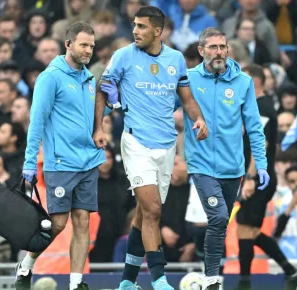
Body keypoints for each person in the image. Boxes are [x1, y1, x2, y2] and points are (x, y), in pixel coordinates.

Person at [93, 6, 208, 290]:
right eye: (134, 25)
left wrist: (199, 120)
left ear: (158, 31)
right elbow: (103, 88)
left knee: (145, 214)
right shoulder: (123, 56)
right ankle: (158, 277)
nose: (135, 31)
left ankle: (127, 281)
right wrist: (99, 125)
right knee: (154, 210)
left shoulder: (175, 59)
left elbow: (187, 98)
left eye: (142, 26)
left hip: (167, 145)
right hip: (136, 142)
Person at [18, 21, 110, 290]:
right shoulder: (50, 77)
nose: (88, 50)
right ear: (68, 44)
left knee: (83, 222)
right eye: (83, 44)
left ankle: (76, 283)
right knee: (57, 225)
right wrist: (29, 162)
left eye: (91, 46)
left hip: (88, 161)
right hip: (61, 162)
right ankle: (26, 266)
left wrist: (99, 128)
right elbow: (36, 122)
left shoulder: (89, 78)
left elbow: (89, 115)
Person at [183, 27, 270, 290]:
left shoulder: (243, 82)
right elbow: (164, 109)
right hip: (201, 164)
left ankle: (211, 276)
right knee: (219, 216)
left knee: (219, 224)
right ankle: (211, 279)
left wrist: (262, 165)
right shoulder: (187, 80)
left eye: (222, 47)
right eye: (213, 47)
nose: (219, 52)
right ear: (201, 51)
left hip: (234, 168)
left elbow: (254, 126)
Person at [235, 64, 297, 289]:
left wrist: (251, 178)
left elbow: (261, 144)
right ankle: (287, 272)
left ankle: (254, 280)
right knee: (246, 230)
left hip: (259, 178)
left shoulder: (262, 107)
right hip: (255, 176)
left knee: (247, 229)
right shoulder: (254, 106)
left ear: (254, 81)